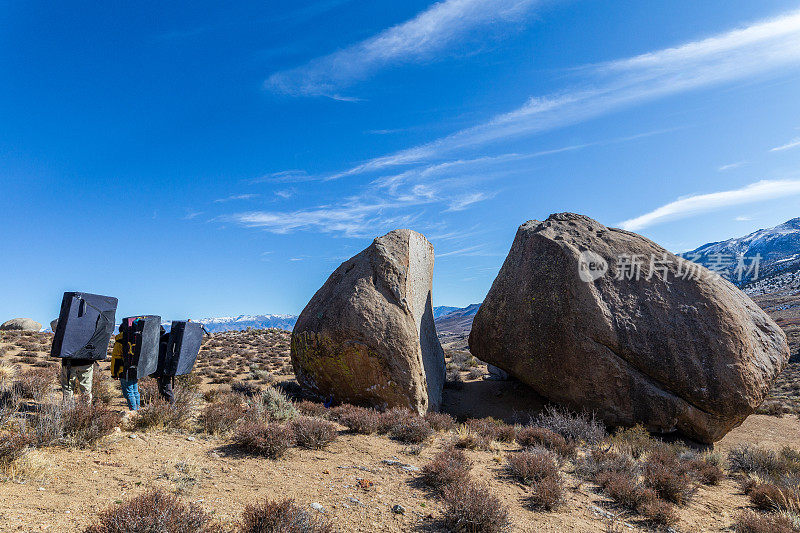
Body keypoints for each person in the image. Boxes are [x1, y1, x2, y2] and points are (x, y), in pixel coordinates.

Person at [111, 319, 141, 410]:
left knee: (128, 392)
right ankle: (137, 410)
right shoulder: (137, 338)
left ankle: (133, 411)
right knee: (135, 391)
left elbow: (116, 358)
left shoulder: (120, 341)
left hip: (124, 370)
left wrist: (114, 373)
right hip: (136, 368)